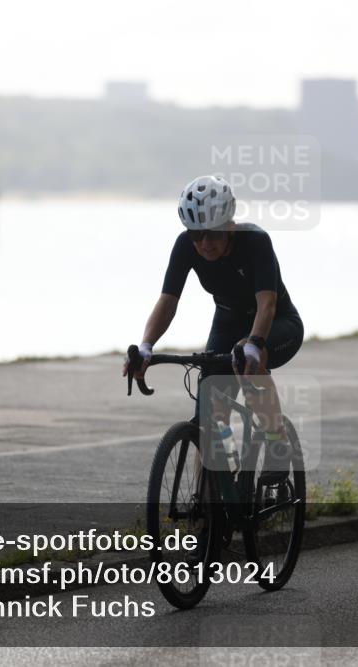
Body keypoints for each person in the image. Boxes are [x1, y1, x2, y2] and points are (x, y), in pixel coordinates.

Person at [122, 174, 303, 483]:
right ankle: (215, 496)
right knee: (210, 415)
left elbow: (267, 304)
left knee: (250, 359)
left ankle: (277, 442)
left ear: (229, 225)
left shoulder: (256, 241)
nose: (204, 243)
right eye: (196, 234)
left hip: (277, 322)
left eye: (213, 233)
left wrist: (254, 343)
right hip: (228, 321)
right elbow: (168, 301)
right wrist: (146, 346)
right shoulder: (186, 246)